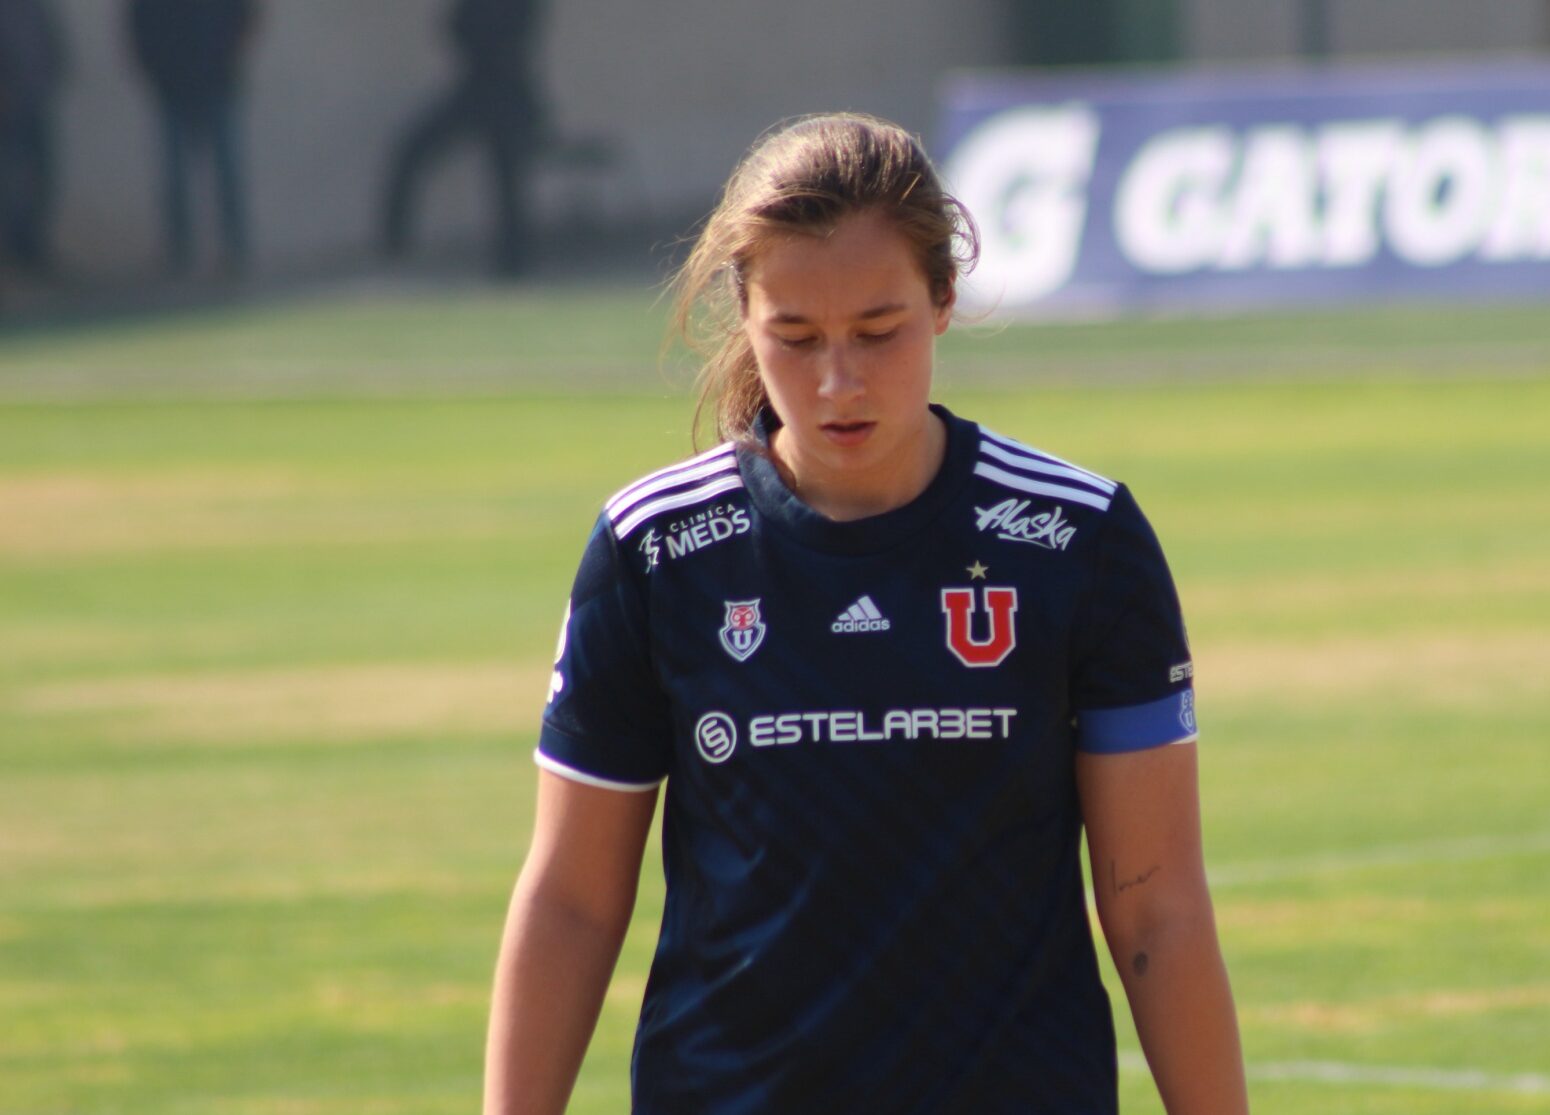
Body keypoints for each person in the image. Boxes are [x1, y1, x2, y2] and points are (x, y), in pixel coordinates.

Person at [484, 113, 1250, 1114]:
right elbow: (573, 902)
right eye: (794, 338)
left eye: (877, 330)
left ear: (942, 298)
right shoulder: (656, 550)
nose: (837, 380)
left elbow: (1156, 910)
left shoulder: (1076, 540)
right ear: (743, 315)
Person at [379, 0, 541, 277]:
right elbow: (458, 26)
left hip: (505, 92)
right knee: (413, 153)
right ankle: (394, 245)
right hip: (479, 89)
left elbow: (491, 32)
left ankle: (513, 265)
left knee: (508, 184)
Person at [127, 0, 258, 277]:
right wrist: (156, 71)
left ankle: (234, 248)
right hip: (173, 85)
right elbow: (138, 28)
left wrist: (230, 56)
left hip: (217, 79)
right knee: (176, 175)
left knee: (226, 170)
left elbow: (245, 16)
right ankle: (179, 250)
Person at [0, 0, 63, 277]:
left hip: (35, 100)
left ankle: (32, 246)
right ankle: (13, 250)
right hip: (9, 108)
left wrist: (51, 78)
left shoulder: (33, 8)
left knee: (41, 176)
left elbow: (50, 43)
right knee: (12, 179)